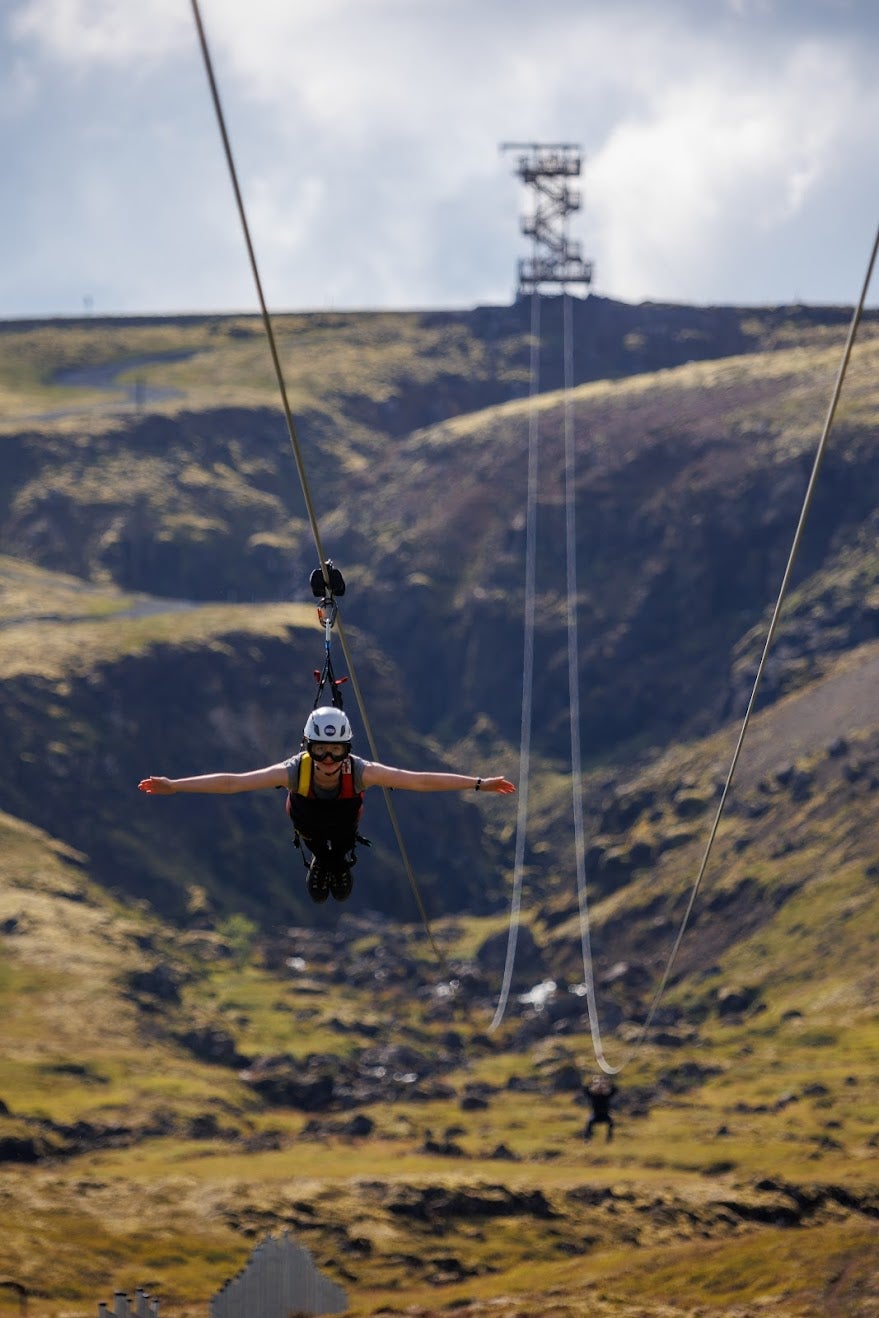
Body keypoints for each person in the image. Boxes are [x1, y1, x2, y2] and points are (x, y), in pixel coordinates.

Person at [139, 705, 515, 904]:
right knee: (322, 848)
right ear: (309, 748)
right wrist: (175, 786)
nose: (330, 760)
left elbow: (416, 780)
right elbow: (233, 783)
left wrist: (479, 784)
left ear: (347, 750)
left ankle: (335, 863)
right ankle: (326, 862)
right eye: (322, 751)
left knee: (341, 845)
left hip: (344, 825)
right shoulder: (292, 771)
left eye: (336, 752)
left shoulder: (362, 771)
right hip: (306, 825)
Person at [583, 1075, 617, 1143]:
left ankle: (609, 1139)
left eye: (601, 1088)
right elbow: (585, 1090)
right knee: (589, 1123)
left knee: (611, 1123)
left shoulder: (606, 1096)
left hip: (605, 1115)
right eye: (598, 1088)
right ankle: (587, 1140)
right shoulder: (593, 1096)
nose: (600, 1089)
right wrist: (591, 1082)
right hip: (595, 1115)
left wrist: (609, 1082)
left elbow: (615, 1090)